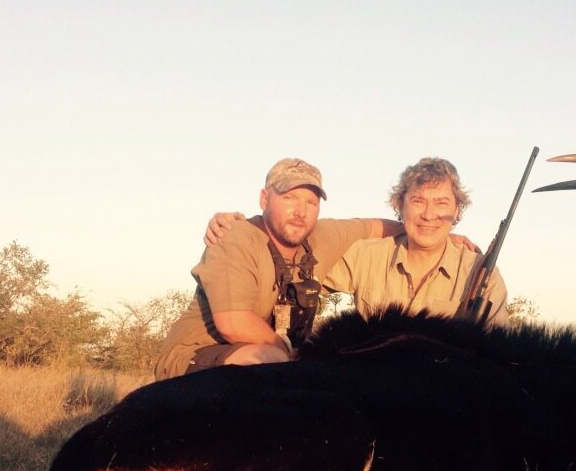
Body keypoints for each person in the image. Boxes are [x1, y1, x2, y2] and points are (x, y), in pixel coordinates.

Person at [154, 158, 399, 379]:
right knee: (270, 361)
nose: (300, 211)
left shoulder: (322, 235)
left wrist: (426, 227)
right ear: (264, 199)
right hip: (195, 356)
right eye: (289, 198)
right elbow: (233, 324)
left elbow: (376, 227)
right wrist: (292, 355)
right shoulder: (236, 236)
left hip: (279, 358)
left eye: (311, 202)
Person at [321, 157, 509, 325]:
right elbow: (308, 252)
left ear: (457, 210)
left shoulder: (484, 275)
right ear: (401, 205)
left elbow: (499, 353)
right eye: (418, 201)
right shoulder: (367, 256)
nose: (428, 215)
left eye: (441, 203)